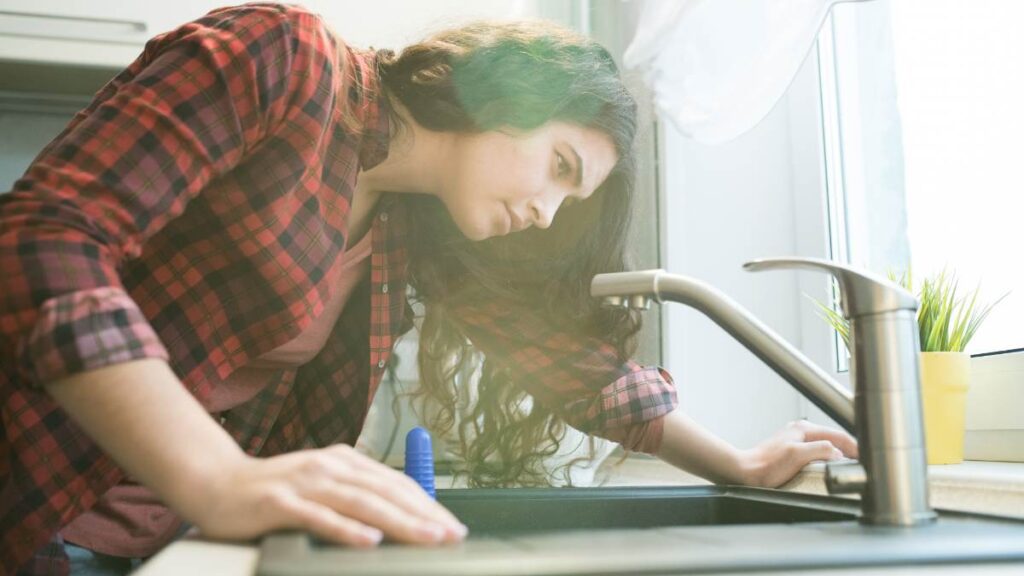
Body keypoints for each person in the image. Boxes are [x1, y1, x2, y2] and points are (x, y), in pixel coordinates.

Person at [0, 3, 858, 574]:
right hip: (31, 506)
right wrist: (218, 478)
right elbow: (45, 240)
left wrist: (738, 463)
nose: (549, 211)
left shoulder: (413, 228)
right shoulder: (285, 60)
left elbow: (572, 367)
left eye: (573, 200)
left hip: (147, 547)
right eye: (559, 166)